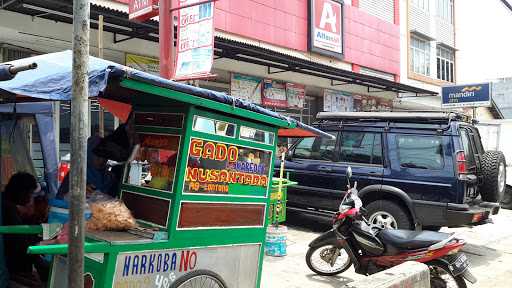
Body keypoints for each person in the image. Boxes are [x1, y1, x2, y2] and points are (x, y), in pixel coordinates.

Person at [1, 172, 48, 287]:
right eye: (32, 195)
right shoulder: (10, 211)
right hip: (11, 270)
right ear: (24, 195)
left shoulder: (7, 204)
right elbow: (23, 248)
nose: (33, 200)